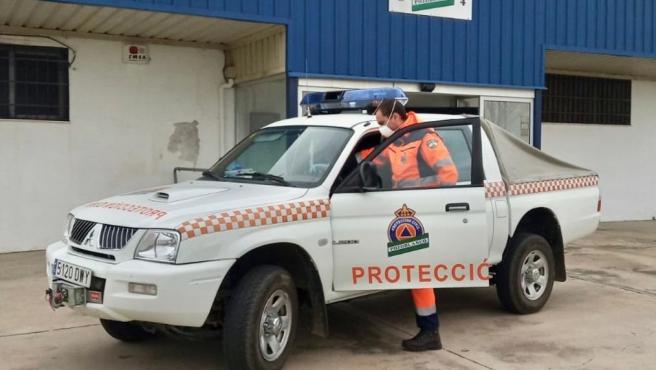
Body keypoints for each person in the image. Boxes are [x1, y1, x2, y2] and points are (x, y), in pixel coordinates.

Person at [359, 99, 458, 351]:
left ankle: (430, 332)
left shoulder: (425, 137)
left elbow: (449, 176)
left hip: (422, 211)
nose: (379, 127)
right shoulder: (397, 138)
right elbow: (376, 161)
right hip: (400, 211)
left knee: (417, 272)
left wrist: (413, 185)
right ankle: (428, 328)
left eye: (381, 122)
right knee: (411, 270)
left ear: (395, 117)